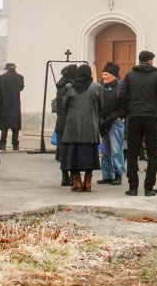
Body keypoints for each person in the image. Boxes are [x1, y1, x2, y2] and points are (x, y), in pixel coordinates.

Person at [119, 50, 157, 196]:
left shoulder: (130, 75)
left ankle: (133, 187)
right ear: (150, 61)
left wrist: (126, 111)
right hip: (152, 117)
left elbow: (122, 95)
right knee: (153, 153)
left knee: (132, 152)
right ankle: (148, 188)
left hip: (134, 116)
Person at [60, 64, 103, 192]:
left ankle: (77, 182)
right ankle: (88, 182)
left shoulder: (70, 87)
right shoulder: (96, 87)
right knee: (89, 155)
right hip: (90, 126)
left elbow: (64, 105)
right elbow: (101, 105)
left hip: (73, 126)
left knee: (72, 155)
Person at [97, 62, 125, 185]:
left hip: (114, 122)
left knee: (116, 149)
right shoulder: (100, 87)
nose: (104, 76)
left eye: (106, 74)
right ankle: (107, 175)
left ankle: (118, 174)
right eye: (103, 74)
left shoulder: (120, 88)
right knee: (105, 150)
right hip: (104, 122)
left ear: (113, 75)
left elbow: (124, 106)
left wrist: (118, 117)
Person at [53, 63, 77, 185]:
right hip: (70, 122)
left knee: (62, 150)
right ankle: (72, 176)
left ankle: (64, 176)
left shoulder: (60, 86)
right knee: (72, 150)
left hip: (61, 122)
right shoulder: (72, 87)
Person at [0, 62, 25, 150]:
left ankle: (2, 143)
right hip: (16, 103)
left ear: (7, 69)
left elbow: (0, 89)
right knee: (15, 125)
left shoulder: (3, 77)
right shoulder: (20, 77)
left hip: (5, 102)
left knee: (4, 125)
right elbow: (21, 88)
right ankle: (15, 144)